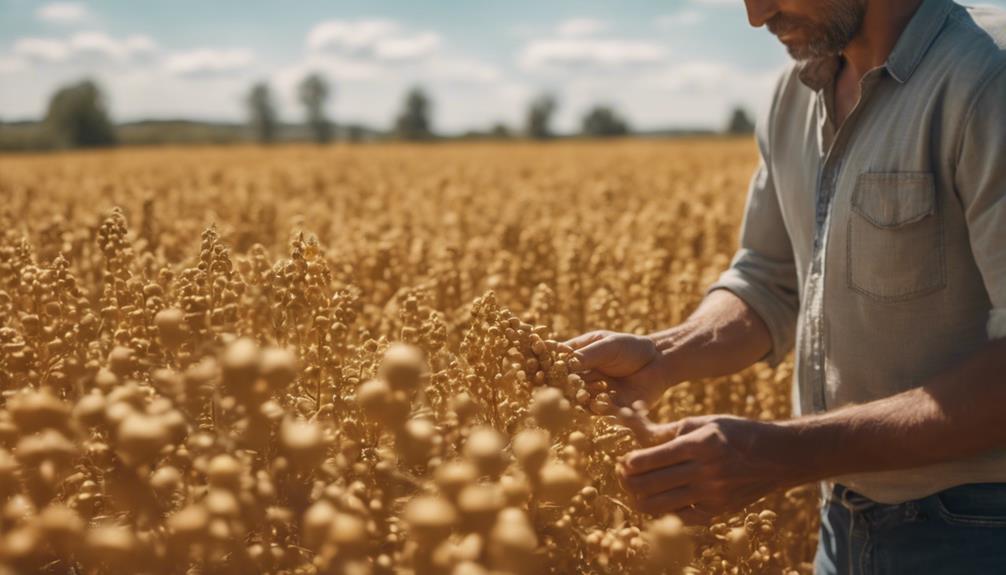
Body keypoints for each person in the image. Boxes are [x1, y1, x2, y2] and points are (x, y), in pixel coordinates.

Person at [564, 0, 1006, 572]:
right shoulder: (795, 92)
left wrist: (786, 453)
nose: (756, 14)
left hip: (981, 531)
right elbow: (769, 280)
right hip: (841, 522)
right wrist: (662, 356)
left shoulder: (988, 77)